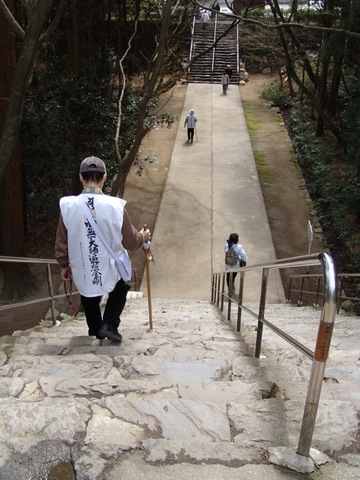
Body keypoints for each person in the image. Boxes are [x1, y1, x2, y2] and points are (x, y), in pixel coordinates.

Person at [55, 156, 151, 343]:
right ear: (104, 176)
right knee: (120, 286)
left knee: (88, 293)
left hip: (81, 261)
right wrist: (143, 236)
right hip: (109, 263)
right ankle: (109, 324)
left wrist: (63, 264)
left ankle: (95, 329)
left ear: (81, 177)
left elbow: (62, 239)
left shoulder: (68, 206)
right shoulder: (115, 206)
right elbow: (130, 241)